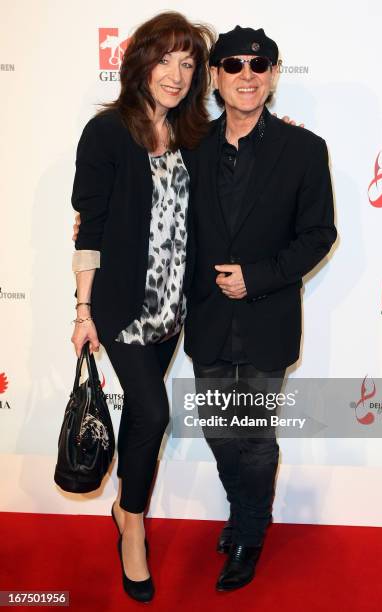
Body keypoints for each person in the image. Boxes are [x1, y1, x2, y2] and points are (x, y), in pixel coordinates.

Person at [183, 26, 337, 591]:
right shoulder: (190, 146)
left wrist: (257, 278)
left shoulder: (304, 149)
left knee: (253, 434)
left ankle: (248, 530)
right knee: (219, 432)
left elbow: (319, 234)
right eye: (232, 64)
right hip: (207, 319)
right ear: (215, 77)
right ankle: (249, 511)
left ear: (273, 75)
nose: (246, 74)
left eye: (258, 64)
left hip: (267, 317)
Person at [70, 12, 214, 603]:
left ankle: (125, 511)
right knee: (154, 414)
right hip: (123, 308)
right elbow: (89, 229)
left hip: (171, 313)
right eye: (166, 60)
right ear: (141, 63)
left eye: (188, 64)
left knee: (141, 418)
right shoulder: (106, 134)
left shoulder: (193, 137)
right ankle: (133, 525)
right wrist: (83, 309)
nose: (176, 75)